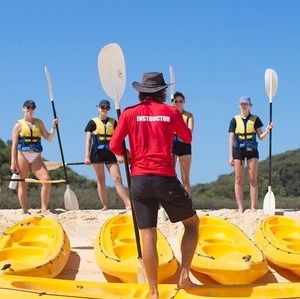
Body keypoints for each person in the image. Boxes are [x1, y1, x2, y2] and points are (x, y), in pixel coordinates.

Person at [110, 72, 199, 299]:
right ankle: (185, 276)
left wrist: (128, 154)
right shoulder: (171, 112)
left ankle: (153, 291)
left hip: (139, 180)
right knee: (192, 224)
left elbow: (114, 145)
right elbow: (187, 138)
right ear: (163, 92)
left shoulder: (129, 113)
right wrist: (174, 116)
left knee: (148, 234)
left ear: (141, 91)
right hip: (164, 178)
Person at [10, 100, 58, 214]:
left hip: (36, 156)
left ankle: (44, 208)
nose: (30, 110)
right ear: (23, 109)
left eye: (32, 108)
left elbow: (49, 138)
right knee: (23, 184)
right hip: (23, 155)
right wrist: (13, 162)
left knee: (46, 180)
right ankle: (25, 211)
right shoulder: (18, 125)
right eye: (28, 107)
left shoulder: (39, 123)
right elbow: (14, 145)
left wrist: (54, 127)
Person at [228, 96, 273, 212]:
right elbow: (231, 139)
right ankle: (240, 207)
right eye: (242, 104)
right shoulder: (234, 120)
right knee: (238, 179)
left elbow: (261, 137)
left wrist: (267, 130)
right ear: (239, 105)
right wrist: (230, 156)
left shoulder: (255, 119)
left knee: (252, 178)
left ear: (250, 106)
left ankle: (253, 207)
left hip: (252, 150)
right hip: (238, 150)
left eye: (246, 104)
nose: (244, 106)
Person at [84, 99, 131, 210]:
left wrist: (120, 155)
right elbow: (88, 140)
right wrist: (86, 156)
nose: (104, 110)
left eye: (106, 108)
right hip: (96, 154)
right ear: (98, 108)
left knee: (117, 178)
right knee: (101, 180)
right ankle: (105, 206)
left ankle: (128, 203)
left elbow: (119, 139)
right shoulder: (92, 122)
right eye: (102, 107)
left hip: (110, 153)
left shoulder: (113, 122)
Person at [172, 91, 194, 196]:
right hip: (172, 144)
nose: (178, 103)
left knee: (185, 177)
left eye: (180, 101)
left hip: (184, 145)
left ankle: (188, 202)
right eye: (176, 101)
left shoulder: (188, 115)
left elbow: (190, 131)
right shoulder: (169, 114)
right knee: (170, 175)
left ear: (184, 102)